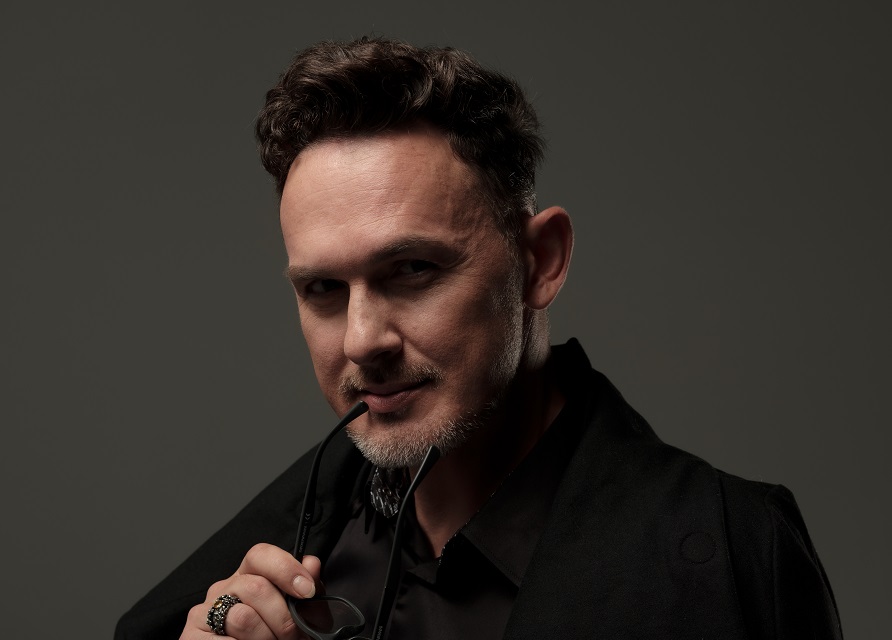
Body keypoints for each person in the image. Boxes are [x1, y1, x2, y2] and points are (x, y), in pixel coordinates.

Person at [116, 37, 843, 640]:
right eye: (323, 289)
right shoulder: (243, 592)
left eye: (412, 270)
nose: (363, 341)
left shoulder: (738, 558)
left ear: (539, 261)